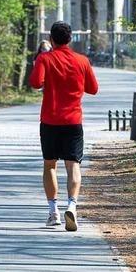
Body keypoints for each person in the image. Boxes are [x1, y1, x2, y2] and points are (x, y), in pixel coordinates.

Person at [29, 21, 98, 232]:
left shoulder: (44, 58)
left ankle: (53, 212)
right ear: (70, 39)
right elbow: (93, 89)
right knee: (73, 165)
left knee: (50, 165)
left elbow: (35, 82)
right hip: (73, 121)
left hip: (50, 120)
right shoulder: (82, 60)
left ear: (51, 39)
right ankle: (72, 206)